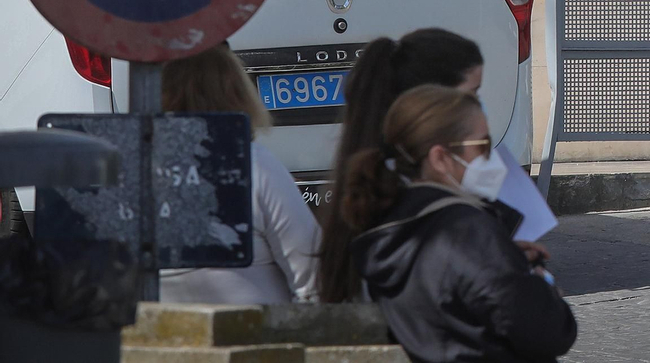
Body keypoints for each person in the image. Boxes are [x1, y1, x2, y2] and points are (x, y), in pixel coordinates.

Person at [343, 85, 576, 362]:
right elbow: (547, 332)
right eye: (482, 146)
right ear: (440, 158)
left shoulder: (386, 224)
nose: (493, 158)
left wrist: (506, 258)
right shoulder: (469, 231)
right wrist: (538, 281)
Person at [318, 28, 485, 303]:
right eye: (472, 95)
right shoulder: (422, 205)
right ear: (430, 103)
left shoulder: (380, 182)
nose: (479, 109)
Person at [159, 43, 320, 303]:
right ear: (235, 91)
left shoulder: (135, 175)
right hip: (263, 337)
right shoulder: (255, 165)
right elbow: (313, 277)